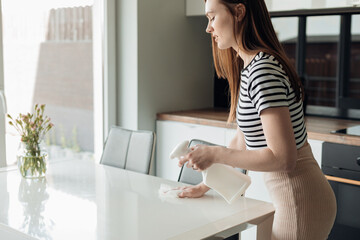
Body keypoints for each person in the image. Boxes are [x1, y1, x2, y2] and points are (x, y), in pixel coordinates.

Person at [177, 0, 337, 239]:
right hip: (293, 197)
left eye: (212, 17)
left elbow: (284, 158)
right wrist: (205, 185)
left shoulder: (263, 70)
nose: (208, 28)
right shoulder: (252, 66)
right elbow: (243, 138)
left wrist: (214, 154)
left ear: (239, 12)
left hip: (300, 200)